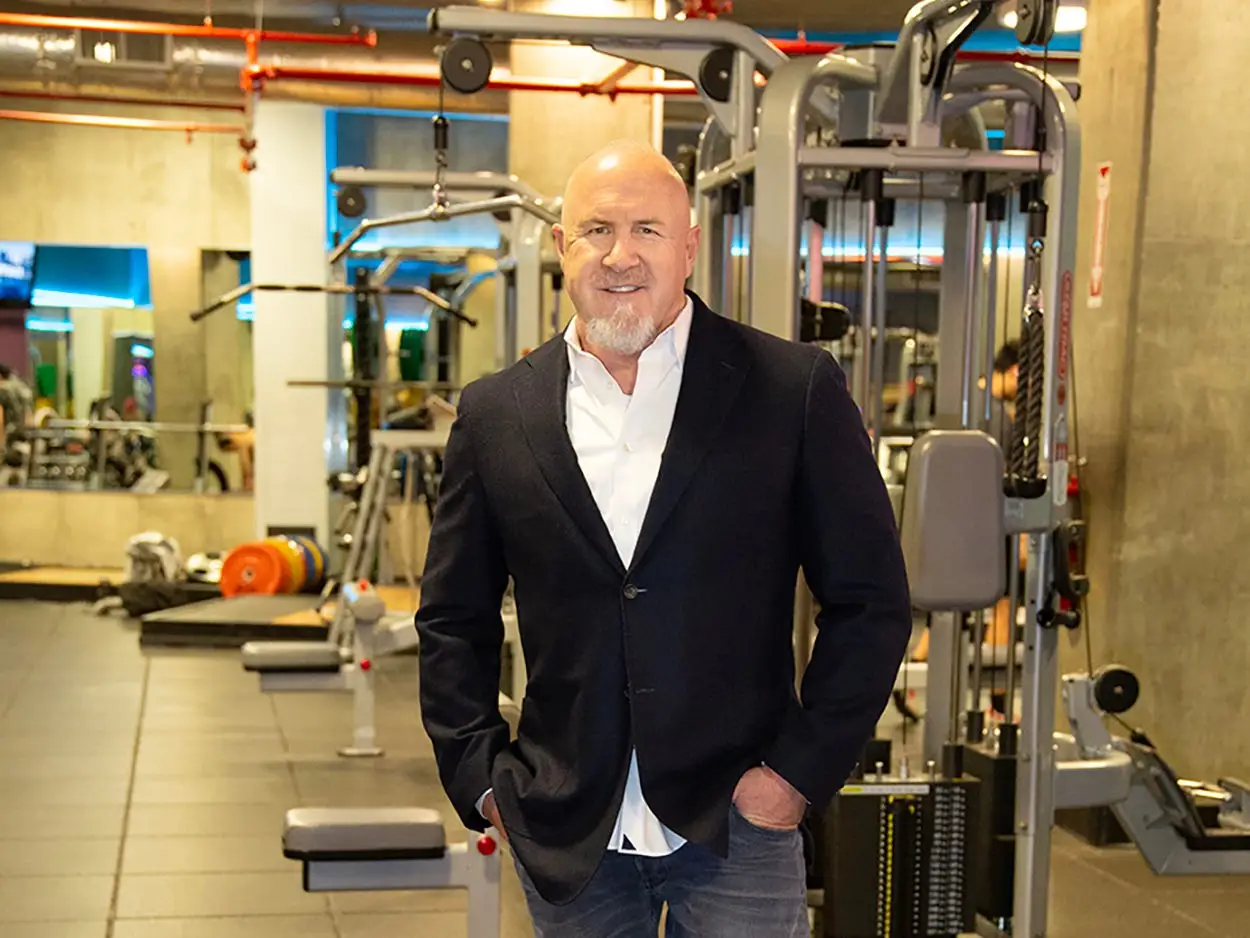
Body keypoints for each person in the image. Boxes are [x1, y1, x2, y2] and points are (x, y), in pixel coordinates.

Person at [415, 140, 912, 937]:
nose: (620, 255)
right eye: (595, 231)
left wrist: (796, 773)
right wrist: (479, 775)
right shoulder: (496, 413)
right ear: (561, 249)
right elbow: (452, 618)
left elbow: (871, 602)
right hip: (566, 823)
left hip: (738, 822)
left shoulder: (791, 389)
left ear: (689, 246)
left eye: (648, 229)